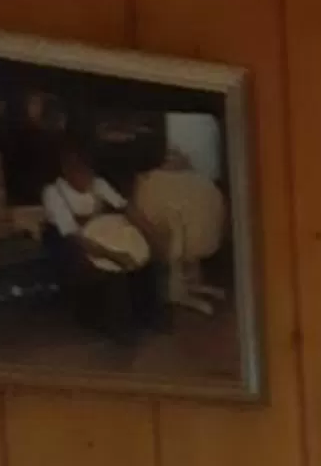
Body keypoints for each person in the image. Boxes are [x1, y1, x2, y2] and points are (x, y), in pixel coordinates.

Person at [41, 143, 155, 339]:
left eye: (87, 170)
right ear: (67, 170)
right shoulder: (53, 192)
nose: (85, 175)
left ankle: (148, 317)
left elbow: (124, 206)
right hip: (69, 245)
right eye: (77, 169)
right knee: (111, 270)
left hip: (100, 235)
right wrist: (114, 255)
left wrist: (149, 231)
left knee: (146, 261)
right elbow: (73, 236)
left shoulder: (98, 184)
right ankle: (118, 328)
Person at [131, 142, 226, 315]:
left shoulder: (194, 183)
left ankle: (191, 284)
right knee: (178, 233)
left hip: (188, 232)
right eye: (168, 156)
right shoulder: (151, 183)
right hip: (168, 232)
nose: (171, 160)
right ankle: (176, 291)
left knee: (191, 228)